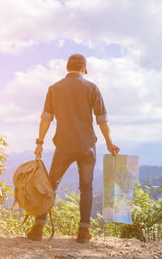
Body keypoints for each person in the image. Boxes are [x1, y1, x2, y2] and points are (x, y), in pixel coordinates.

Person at [27, 54, 120, 242]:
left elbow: (46, 118)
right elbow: (102, 119)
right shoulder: (92, 88)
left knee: (50, 185)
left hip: (63, 146)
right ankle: (84, 232)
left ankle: (38, 228)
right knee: (86, 187)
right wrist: (109, 142)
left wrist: (39, 142)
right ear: (84, 69)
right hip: (87, 146)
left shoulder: (54, 88)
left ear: (67, 67)